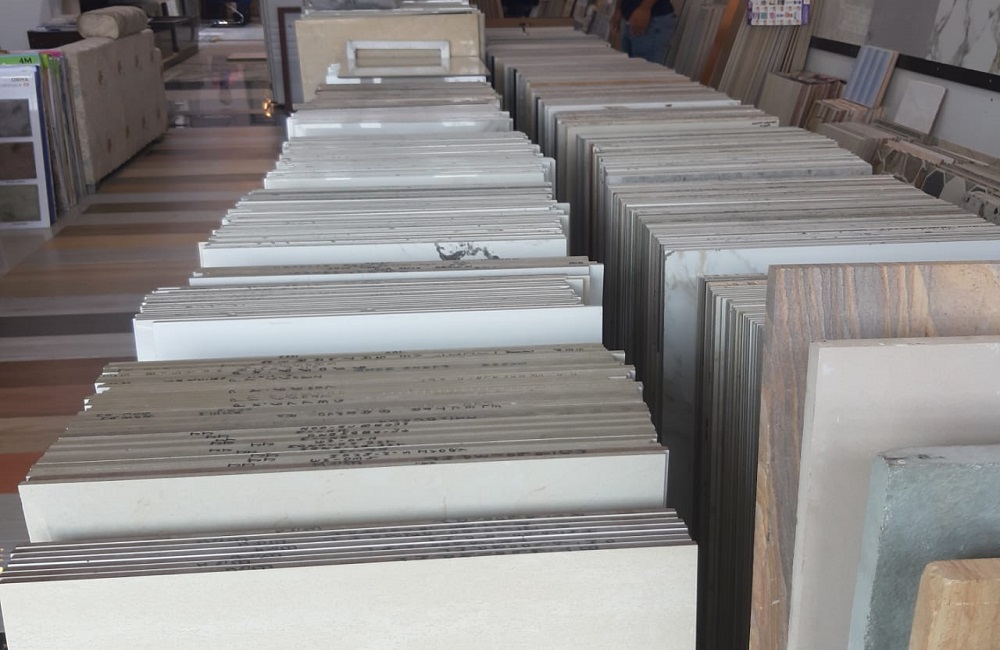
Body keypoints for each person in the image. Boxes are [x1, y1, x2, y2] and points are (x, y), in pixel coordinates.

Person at [611, 0, 677, 65]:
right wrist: (618, 9)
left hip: (651, 19)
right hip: (629, 16)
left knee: (643, 69)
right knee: (627, 67)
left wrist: (644, 8)